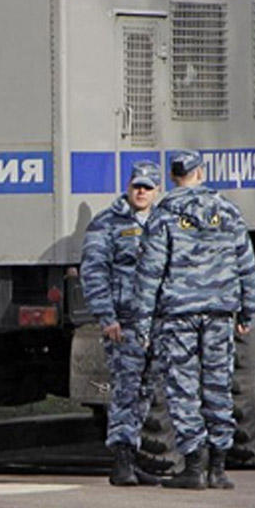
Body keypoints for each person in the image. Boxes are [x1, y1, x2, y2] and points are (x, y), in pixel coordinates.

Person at [134, 150, 255, 490]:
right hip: (220, 312)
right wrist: (249, 309)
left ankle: (193, 467)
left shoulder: (164, 215)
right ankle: (218, 468)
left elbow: (149, 274)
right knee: (219, 384)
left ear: (174, 177)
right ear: (200, 173)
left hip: (179, 316)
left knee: (183, 388)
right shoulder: (228, 211)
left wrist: (142, 323)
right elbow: (246, 264)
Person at [80, 160, 162, 486]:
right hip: (124, 323)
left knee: (145, 392)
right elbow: (94, 272)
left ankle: (135, 455)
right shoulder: (107, 224)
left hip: (157, 322)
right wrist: (106, 317)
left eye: (147, 187)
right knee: (125, 392)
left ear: (157, 191)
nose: (140, 192)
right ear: (128, 187)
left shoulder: (165, 222)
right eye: (136, 186)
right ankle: (121, 462)